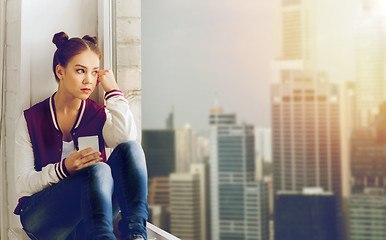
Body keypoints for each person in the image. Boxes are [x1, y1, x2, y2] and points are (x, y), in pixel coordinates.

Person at [13, 32, 148, 240]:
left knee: (132, 149)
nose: (89, 80)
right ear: (60, 71)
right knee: (99, 168)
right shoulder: (31, 119)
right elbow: (23, 183)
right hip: (43, 219)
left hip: (90, 219)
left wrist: (113, 92)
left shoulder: (97, 115)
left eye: (95, 73)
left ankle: (136, 235)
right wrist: (64, 169)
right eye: (80, 71)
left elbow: (126, 139)